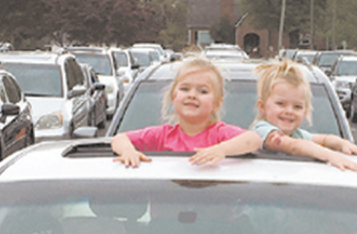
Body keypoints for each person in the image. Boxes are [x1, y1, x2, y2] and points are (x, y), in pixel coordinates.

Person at [111, 55, 262, 168]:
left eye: (203, 91)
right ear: (173, 96)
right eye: (185, 89)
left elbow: (254, 140)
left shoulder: (220, 135)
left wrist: (221, 150)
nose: (192, 95)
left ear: (217, 104)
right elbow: (119, 138)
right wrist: (128, 152)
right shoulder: (162, 136)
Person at [252, 58, 357, 171]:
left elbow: (324, 139)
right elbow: (292, 146)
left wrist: (342, 144)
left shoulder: (296, 135)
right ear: (262, 107)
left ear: (305, 111)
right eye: (280, 103)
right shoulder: (263, 131)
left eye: (297, 106)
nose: (289, 111)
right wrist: (329, 155)